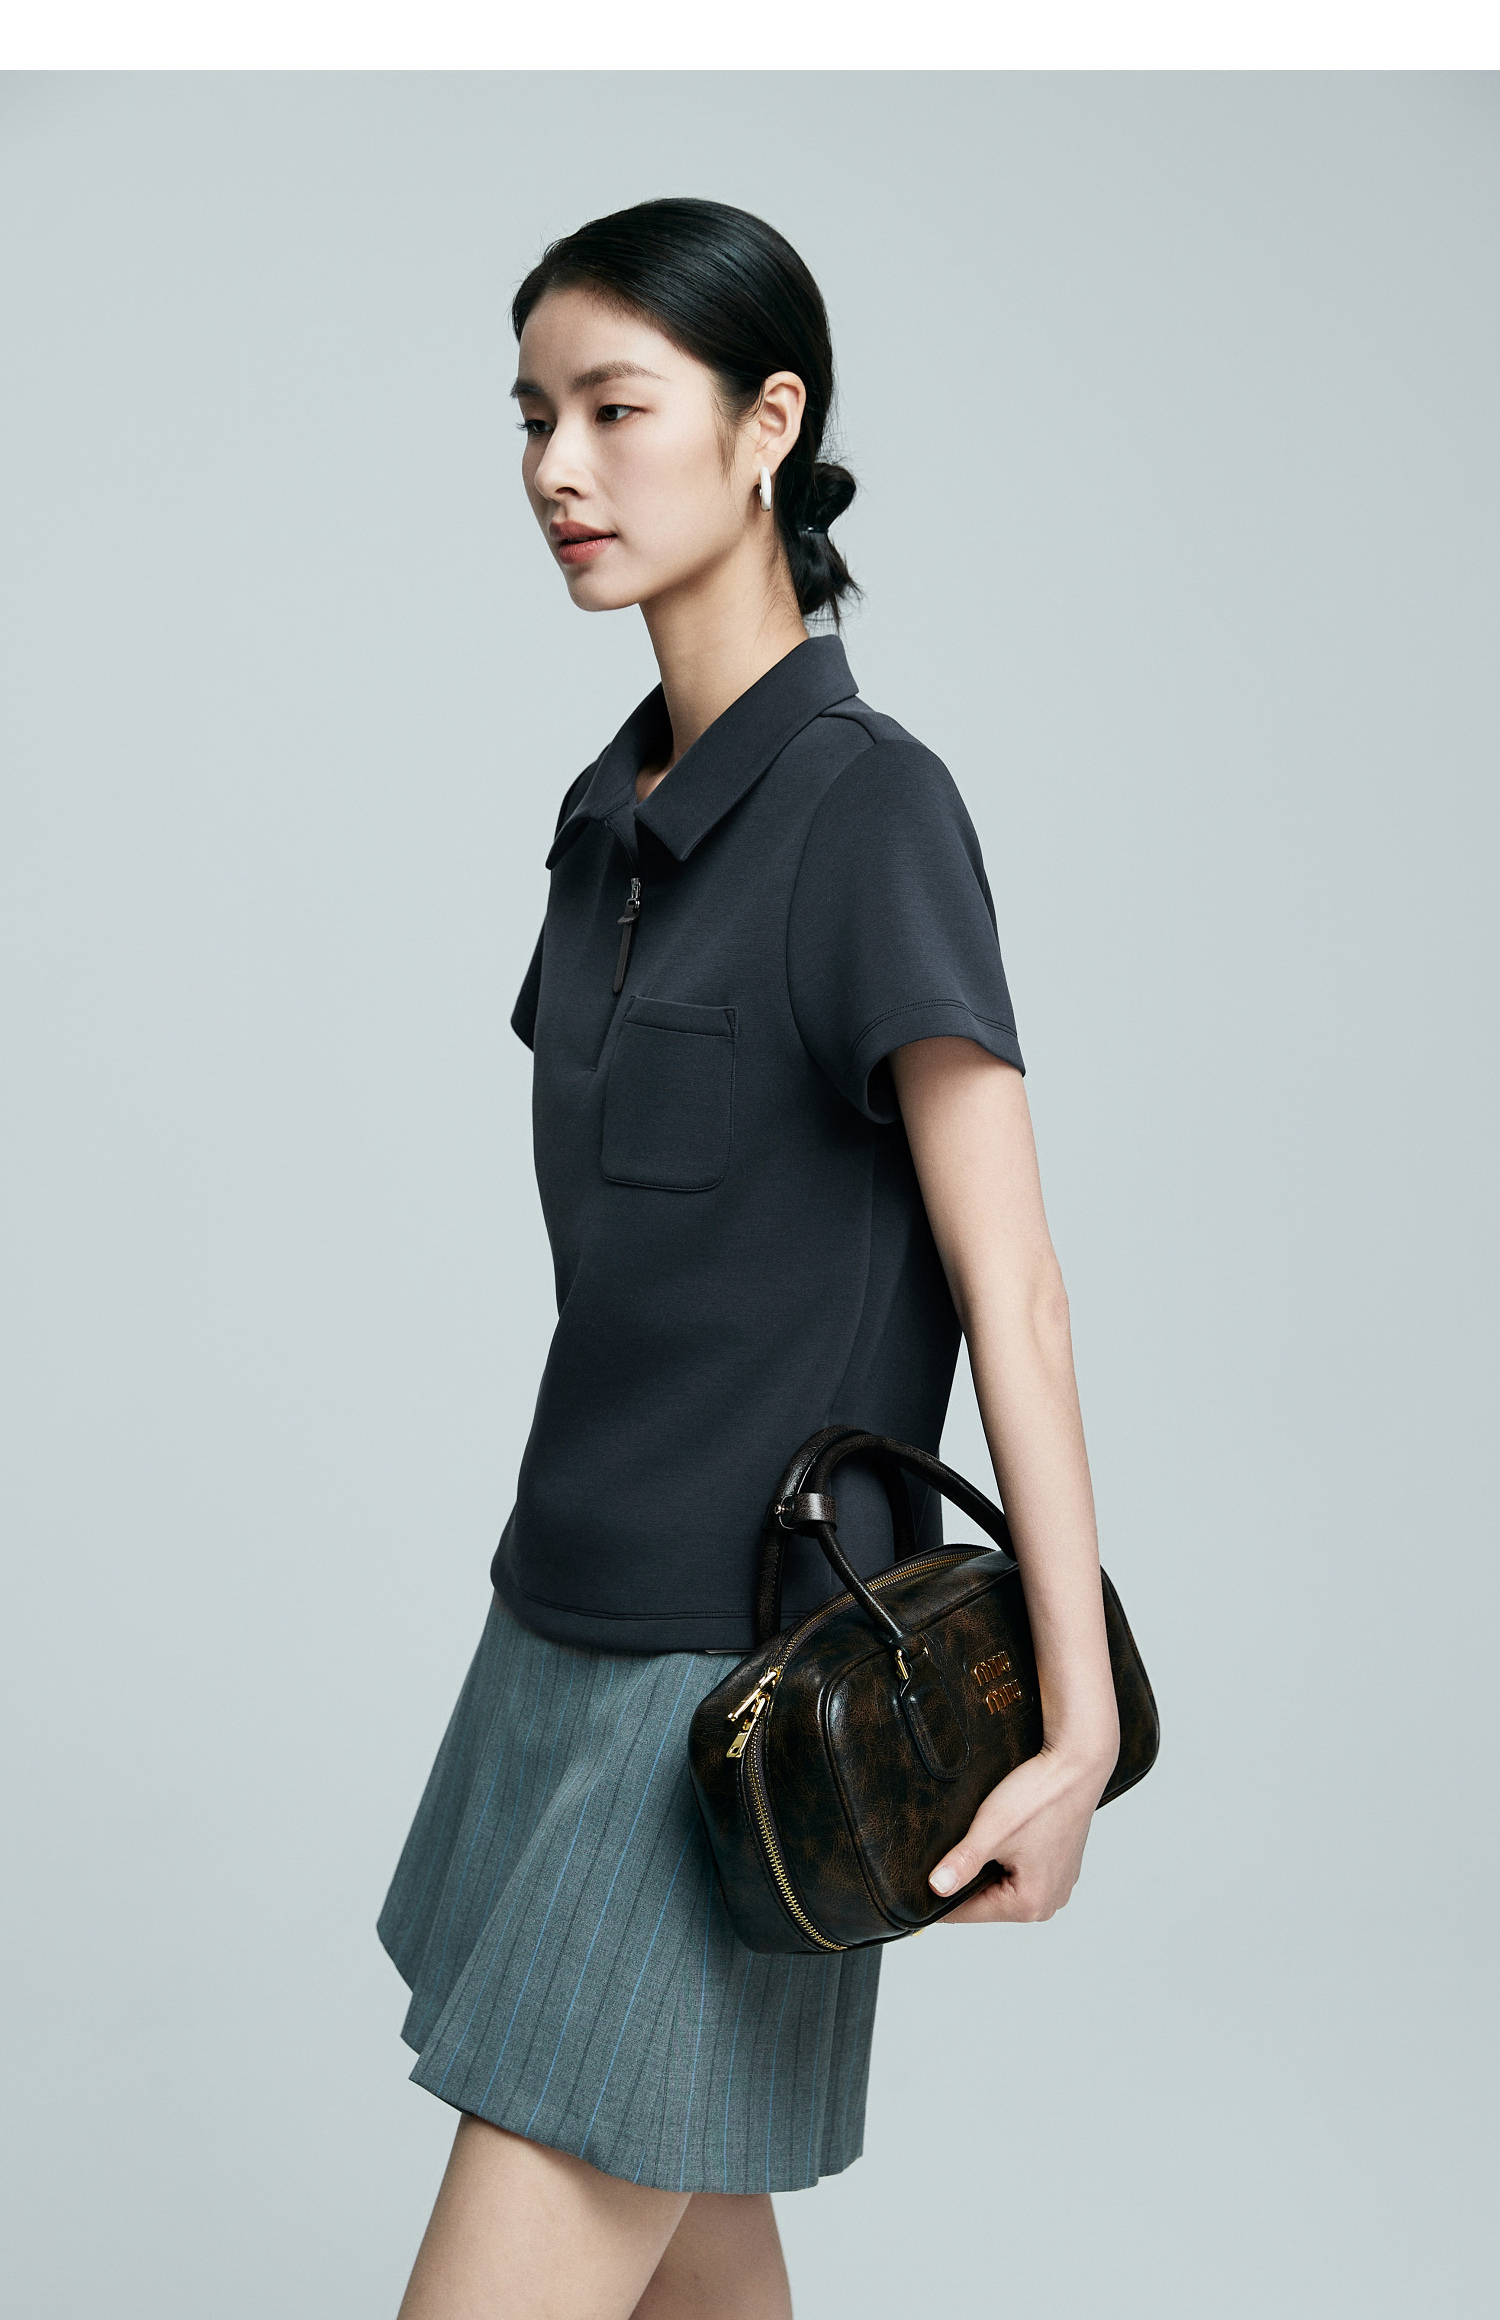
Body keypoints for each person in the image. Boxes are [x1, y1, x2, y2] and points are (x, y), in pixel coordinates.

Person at [378, 197, 1120, 2320]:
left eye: (616, 409)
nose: (558, 466)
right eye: (532, 416)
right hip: (554, 1625)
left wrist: (1074, 1724)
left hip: (732, 1685)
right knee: (697, 2266)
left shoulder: (870, 808)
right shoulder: (608, 817)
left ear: (769, 422)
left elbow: (1014, 1281)